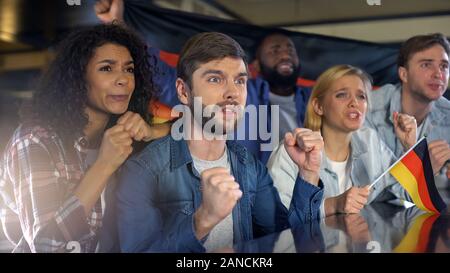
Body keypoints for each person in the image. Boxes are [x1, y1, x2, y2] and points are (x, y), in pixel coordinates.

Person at [115, 32, 325, 253]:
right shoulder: (142, 171)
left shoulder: (250, 167)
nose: (232, 92)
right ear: (183, 92)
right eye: (215, 79)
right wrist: (202, 222)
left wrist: (308, 174)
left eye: (240, 81)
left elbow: (289, 243)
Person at [0, 23, 169, 252]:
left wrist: (154, 132)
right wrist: (104, 165)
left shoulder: (125, 132)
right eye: (107, 69)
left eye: (129, 69)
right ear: (78, 77)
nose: (123, 79)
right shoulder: (34, 141)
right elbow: (49, 247)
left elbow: (207, 128)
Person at [94, 0, 310, 165]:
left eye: (290, 49)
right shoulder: (241, 93)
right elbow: (161, 78)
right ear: (255, 66)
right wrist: (119, 25)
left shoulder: (314, 98)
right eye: (275, 50)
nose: (285, 54)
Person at [268, 65, 416, 217]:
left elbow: (407, 193)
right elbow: (275, 218)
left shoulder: (370, 139)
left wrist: (410, 147)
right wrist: (332, 205)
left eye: (361, 96)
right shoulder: (291, 151)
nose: (354, 103)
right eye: (342, 95)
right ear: (319, 106)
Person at [365, 33, 450, 178]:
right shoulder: (367, 110)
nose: (438, 74)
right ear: (404, 74)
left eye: (443, 66)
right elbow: (369, 184)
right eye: (426, 65)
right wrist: (423, 169)